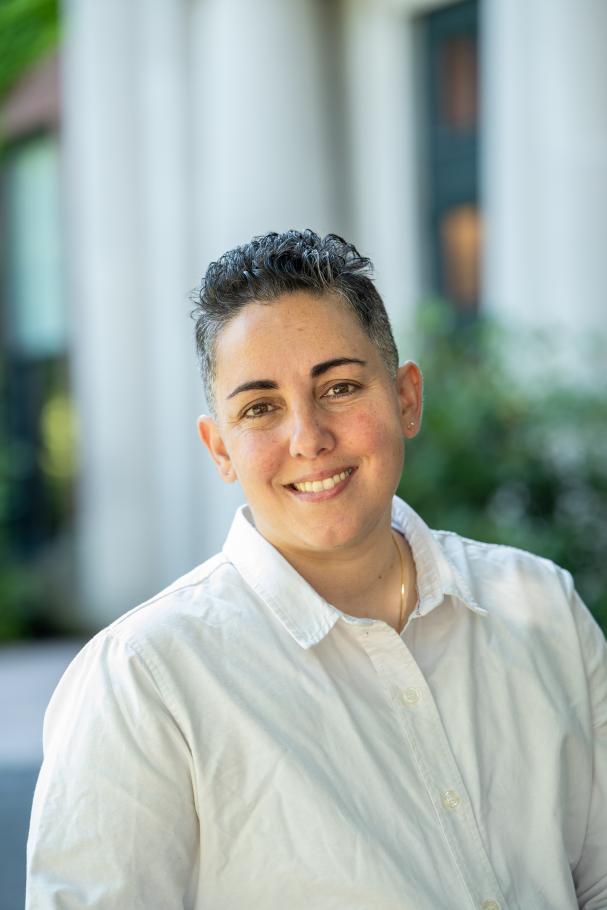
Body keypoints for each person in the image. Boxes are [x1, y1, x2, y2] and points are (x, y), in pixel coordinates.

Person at [27, 230, 606, 909]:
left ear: (405, 398)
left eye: (338, 387)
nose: (308, 439)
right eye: (260, 407)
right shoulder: (145, 680)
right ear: (220, 448)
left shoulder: (539, 603)